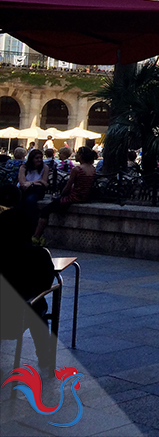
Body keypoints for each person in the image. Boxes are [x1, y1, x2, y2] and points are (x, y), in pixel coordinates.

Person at [0, 208, 57, 375]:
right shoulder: (39, 256)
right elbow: (47, 284)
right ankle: (44, 356)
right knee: (37, 305)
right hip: (16, 321)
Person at [32, 146, 96, 244]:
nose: (76, 155)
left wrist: (60, 196)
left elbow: (68, 186)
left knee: (45, 210)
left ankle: (36, 236)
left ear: (81, 156)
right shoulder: (92, 169)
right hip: (84, 197)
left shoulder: (77, 169)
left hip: (73, 198)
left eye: (78, 153)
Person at [18, 148, 49, 215]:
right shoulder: (23, 168)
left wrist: (30, 183)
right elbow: (22, 183)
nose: (39, 160)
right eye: (37, 158)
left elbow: (45, 184)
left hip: (37, 191)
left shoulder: (45, 167)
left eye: (41, 158)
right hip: (23, 190)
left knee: (30, 200)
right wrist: (39, 182)